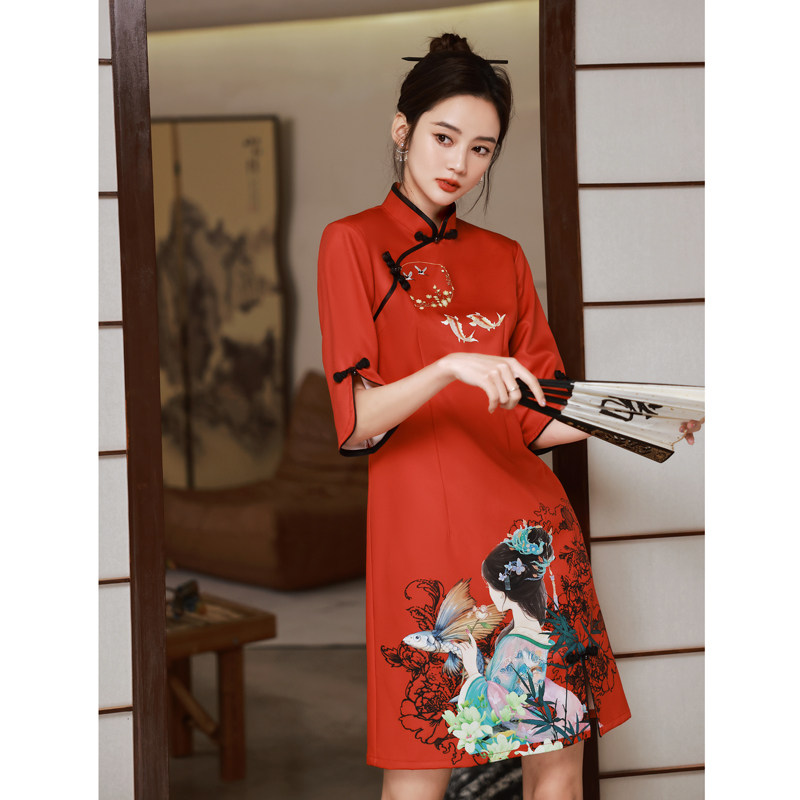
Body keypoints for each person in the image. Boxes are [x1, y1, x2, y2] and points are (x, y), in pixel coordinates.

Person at [317, 33, 700, 800]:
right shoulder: (352, 243)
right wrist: (447, 367)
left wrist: (639, 420)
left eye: (481, 148)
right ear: (403, 130)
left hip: (527, 541)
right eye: (443, 137)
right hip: (422, 539)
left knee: (557, 757)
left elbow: (534, 418)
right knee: (420, 762)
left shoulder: (505, 257)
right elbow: (357, 420)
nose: (459, 162)